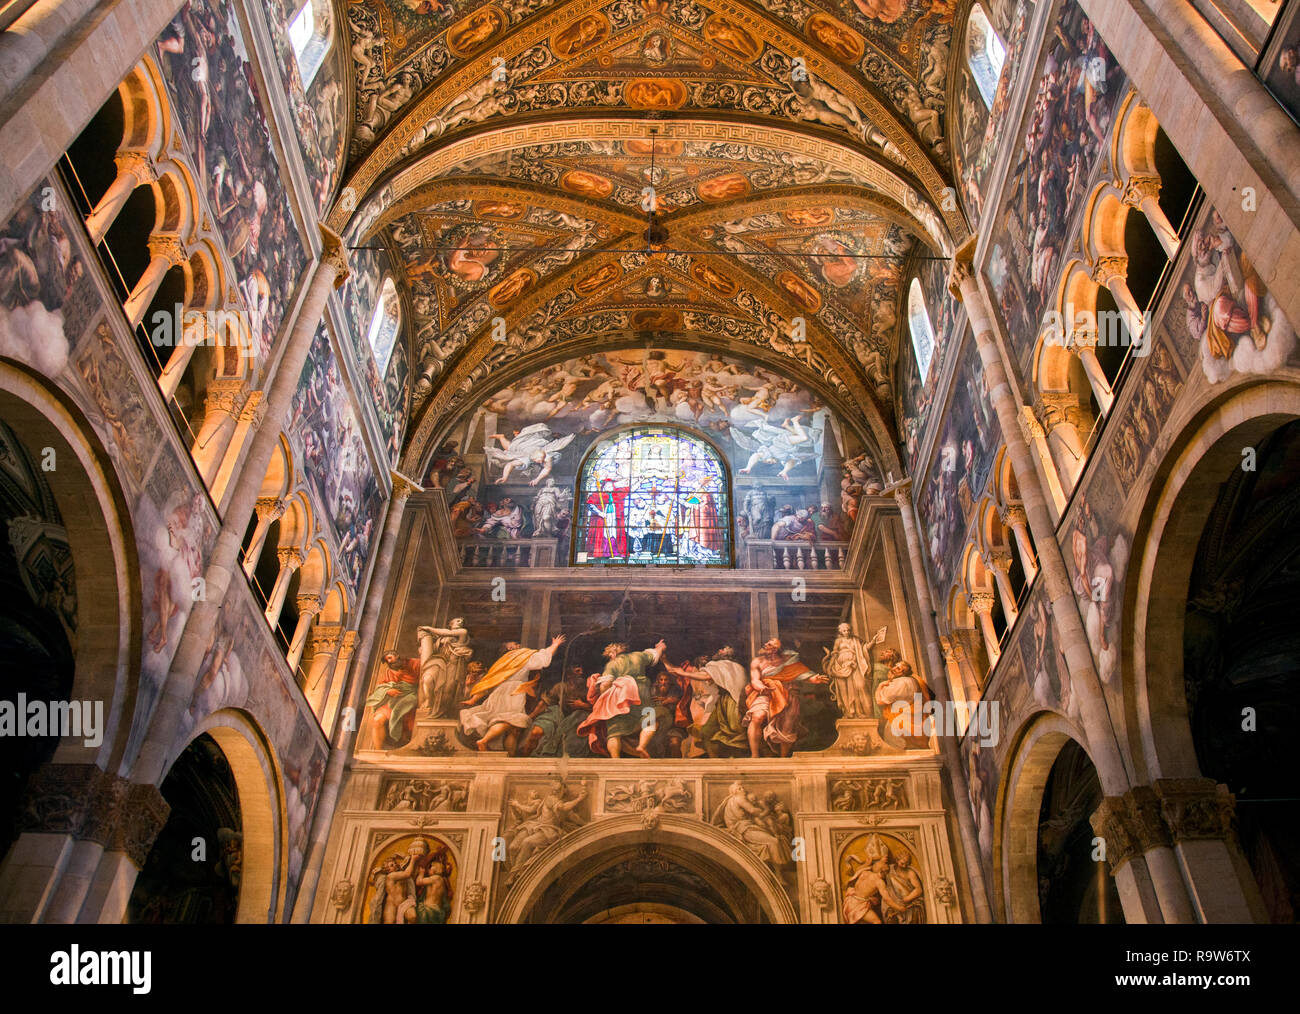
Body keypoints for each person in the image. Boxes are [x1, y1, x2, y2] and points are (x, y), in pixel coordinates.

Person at [459, 635, 566, 753]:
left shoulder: (501, 663)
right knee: (512, 720)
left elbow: (489, 682)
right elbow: (542, 659)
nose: (518, 645)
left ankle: (509, 757)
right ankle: (484, 740)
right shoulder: (520, 657)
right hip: (513, 693)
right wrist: (555, 645)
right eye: (515, 644)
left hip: (499, 694)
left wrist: (473, 700)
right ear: (510, 649)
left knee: (515, 730)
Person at [578, 640, 667, 757]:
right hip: (642, 694)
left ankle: (615, 759)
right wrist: (660, 647)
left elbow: (605, 685)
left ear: (613, 653)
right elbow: (655, 654)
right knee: (649, 718)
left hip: (621, 699)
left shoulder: (612, 664)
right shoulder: (638, 656)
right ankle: (641, 746)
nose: (610, 657)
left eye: (609, 655)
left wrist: (604, 697)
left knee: (614, 732)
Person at [744, 639, 830, 757]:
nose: (765, 645)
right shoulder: (757, 662)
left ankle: (783, 757)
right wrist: (762, 688)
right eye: (767, 643)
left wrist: (814, 679)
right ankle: (754, 755)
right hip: (766, 691)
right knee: (757, 717)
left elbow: (801, 673)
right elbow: (755, 679)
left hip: (787, 692)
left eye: (770, 645)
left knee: (787, 726)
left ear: (777, 650)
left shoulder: (789, 662)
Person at [366, 650, 420, 750]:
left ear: (397, 655)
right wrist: (388, 690)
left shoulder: (415, 663)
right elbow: (383, 685)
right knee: (377, 720)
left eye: (390, 658)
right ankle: (378, 753)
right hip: (394, 700)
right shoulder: (390, 671)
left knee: (408, 723)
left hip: (413, 698)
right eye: (387, 660)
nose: (389, 661)